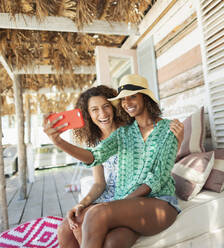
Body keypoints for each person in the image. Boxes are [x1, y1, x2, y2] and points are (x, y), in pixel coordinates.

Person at [45, 75, 184, 248]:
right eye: (123, 99)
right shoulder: (124, 134)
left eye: (132, 96)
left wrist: (118, 203)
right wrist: (58, 142)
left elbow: (157, 178)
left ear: (145, 97)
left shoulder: (169, 129)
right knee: (112, 242)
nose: (127, 102)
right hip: (127, 204)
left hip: (159, 201)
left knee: (96, 214)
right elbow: (95, 155)